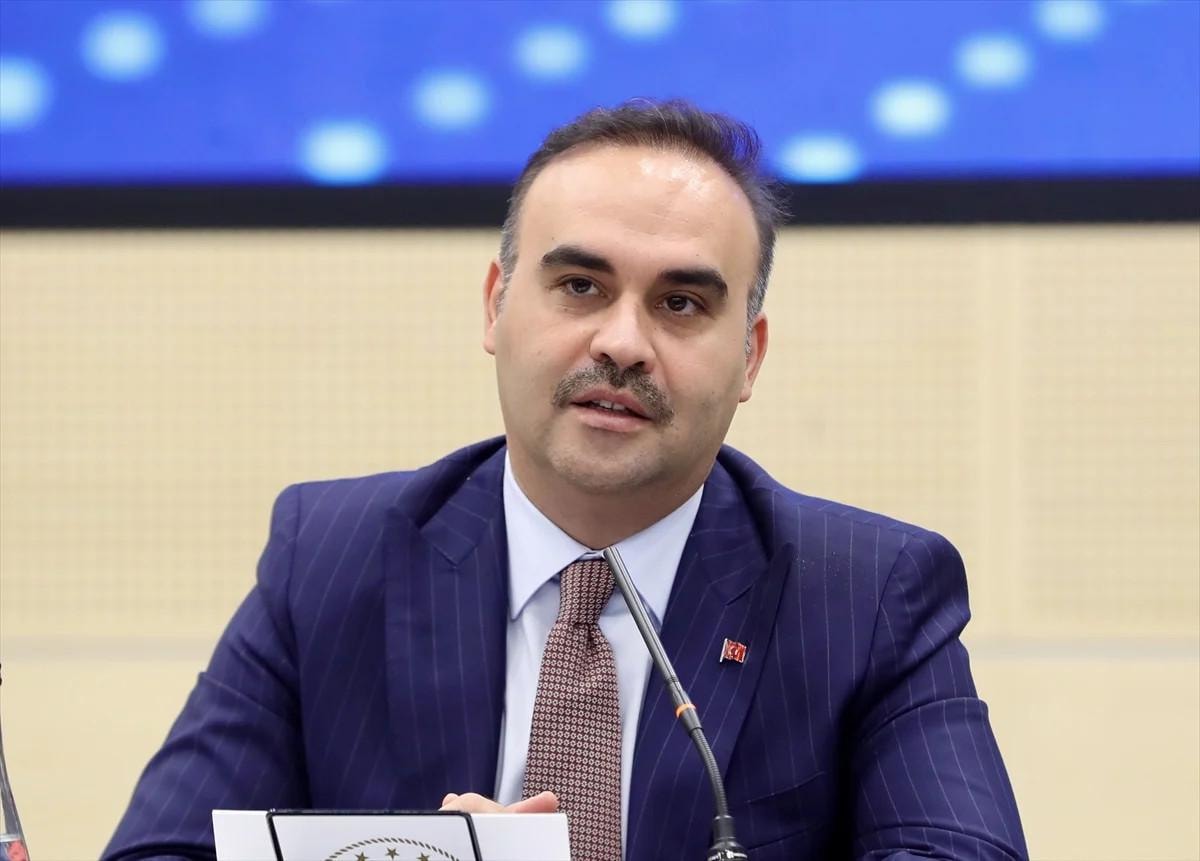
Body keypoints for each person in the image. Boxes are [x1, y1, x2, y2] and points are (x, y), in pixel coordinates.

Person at [103, 100, 1027, 861]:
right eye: (581, 286)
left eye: (680, 303)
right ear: (496, 305)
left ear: (749, 356)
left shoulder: (866, 594)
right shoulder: (330, 557)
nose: (622, 342)